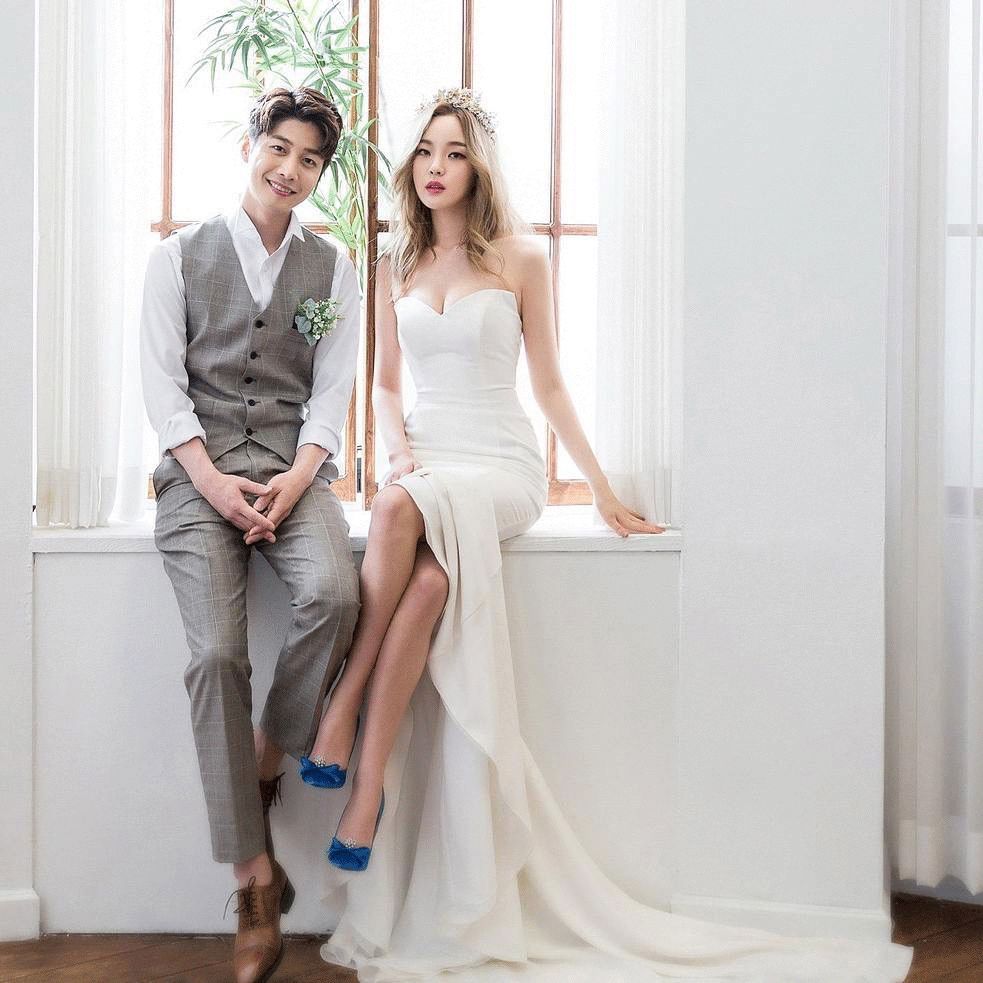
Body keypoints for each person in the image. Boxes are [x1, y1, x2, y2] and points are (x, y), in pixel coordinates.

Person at [301, 88, 913, 982]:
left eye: (455, 152)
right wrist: (394, 451)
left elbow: (548, 385)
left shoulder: (521, 257)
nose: (436, 166)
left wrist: (599, 485)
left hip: (498, 463)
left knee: (395, 511)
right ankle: (366, 790)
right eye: (426, 150)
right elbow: (386, 387)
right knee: (425, 581)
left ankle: (343, 712)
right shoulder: (396, 262)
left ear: (479, 168)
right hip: (425, 457)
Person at [140, 87, 362, 983]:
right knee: (216, 657)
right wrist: (211, 484)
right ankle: (254, 880)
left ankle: (268, 750)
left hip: (291, 471)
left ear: (320, 172)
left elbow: (332, 393)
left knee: (335, 593)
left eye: (309, 159)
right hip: (197, 476)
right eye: (278, 148)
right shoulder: (176, 256)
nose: (289, 169)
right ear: (250, 146)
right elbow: (162, 388)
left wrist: (297, 479)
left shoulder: (333, 267)